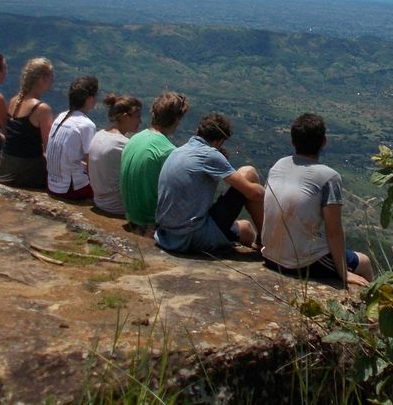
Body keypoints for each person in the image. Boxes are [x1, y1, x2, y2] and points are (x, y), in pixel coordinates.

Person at [262, 113, 373, 288]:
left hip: (268, 255)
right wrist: (343, 272)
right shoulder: (329, 177)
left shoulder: (278, 165)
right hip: (297, 262)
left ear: (292, 142)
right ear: (324, 142)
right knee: (364, 261)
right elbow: (334, 231)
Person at [153, 113, 265, 254]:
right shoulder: (210, 155)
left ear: (198, 132)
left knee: (246, 229)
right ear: (219, 142)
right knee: (249, 173)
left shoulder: (178, 151)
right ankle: (267, 243)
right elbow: (254, 194)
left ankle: (260, 240)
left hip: (167, 234)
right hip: (192, 236)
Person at [120, 92, 189, 235]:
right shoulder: (167, 151)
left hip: (132, 217)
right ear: (176, 119)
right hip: (151, 223)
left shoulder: (134, 138)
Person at [0, 57, 54, 189]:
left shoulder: (13, 101)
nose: (53, 81)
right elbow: (50, 147)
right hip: (27, 170)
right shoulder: (42, 109)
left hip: (6, 166)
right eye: (51, 77)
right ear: (43, 79)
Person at [87, 93, 142, 217]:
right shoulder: (123, 144)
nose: (140, 121)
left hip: (98, 201)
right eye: (137, 116)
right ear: (125, 117)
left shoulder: (98, 135)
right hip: (117, 207)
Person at [45, 76, 99, 200]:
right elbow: (91, 162)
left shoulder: (61, 117)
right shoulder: (86, 125)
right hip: (70, 189)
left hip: (51, 185)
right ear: (89, 99)